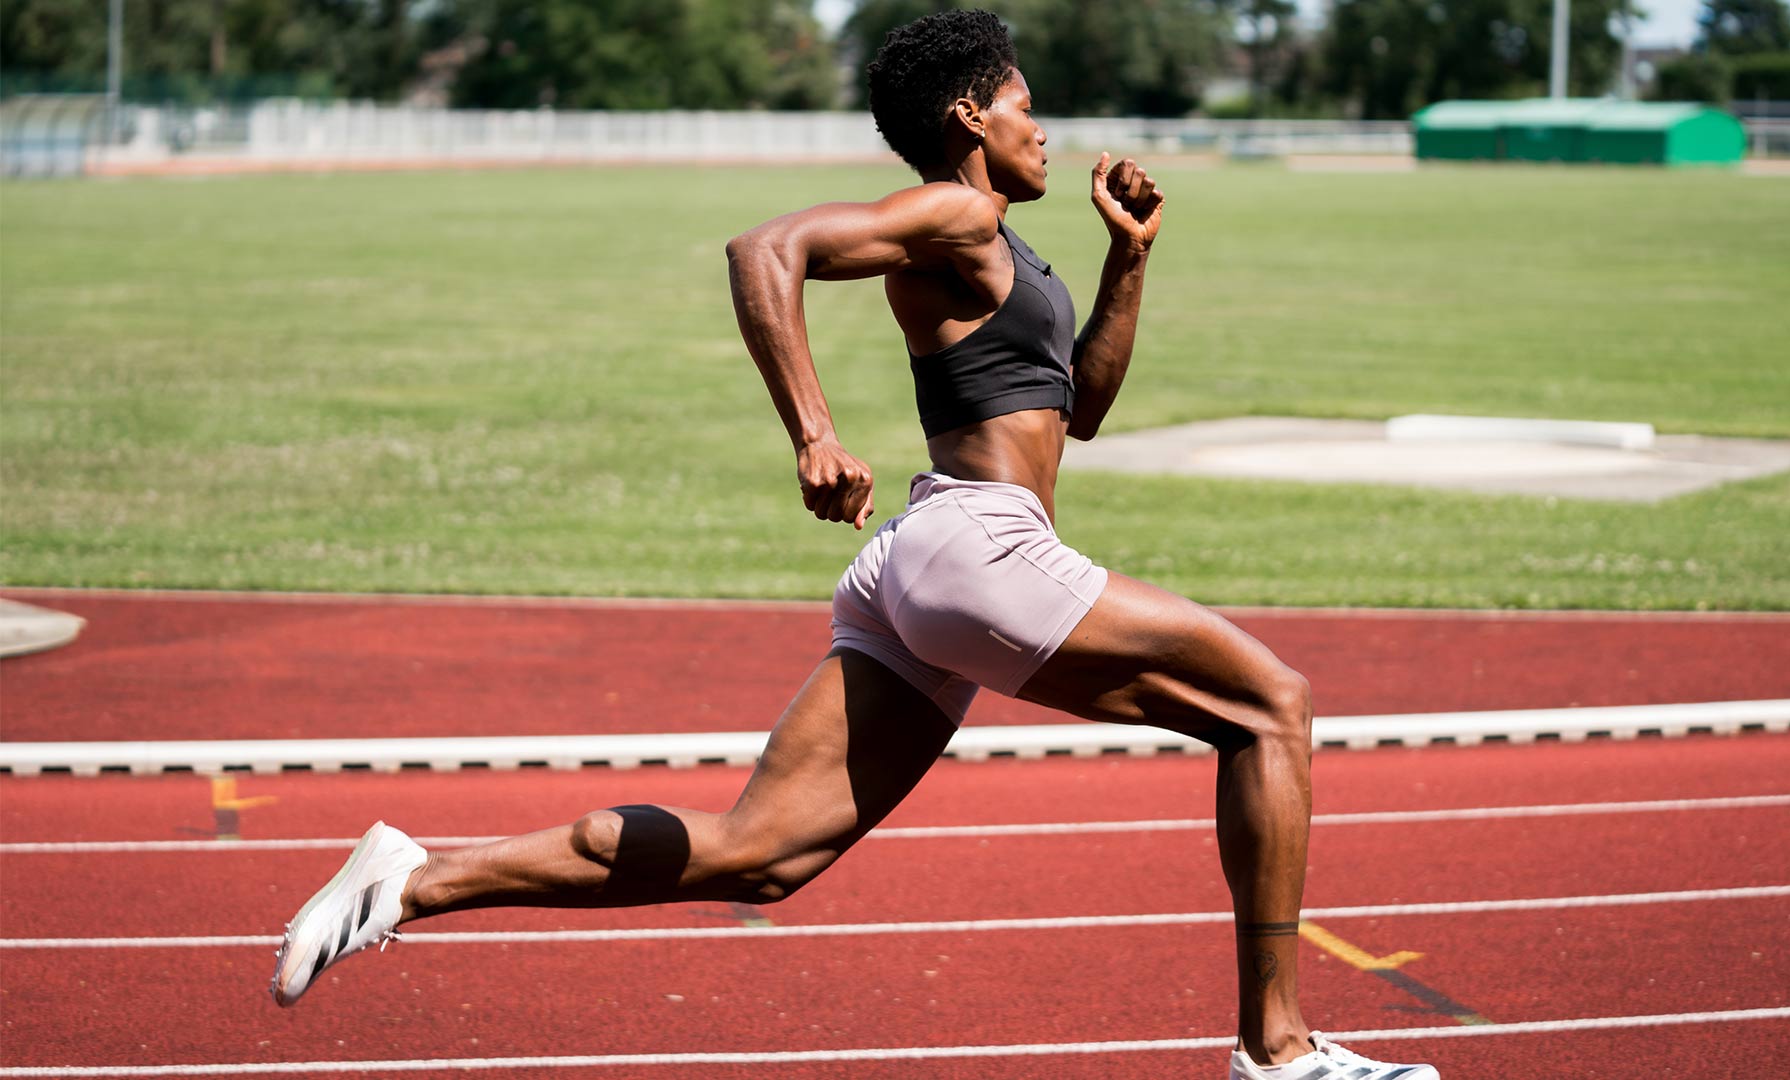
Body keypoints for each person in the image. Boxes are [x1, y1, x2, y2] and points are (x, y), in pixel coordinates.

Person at [270, 11, 1437, 1079]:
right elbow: (762, 249)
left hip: (926, 563)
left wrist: (1129, 257)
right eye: (1028, 106)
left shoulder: (1005, 249)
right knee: (1269, 707)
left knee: (756, 855)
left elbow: (1078, 406)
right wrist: (814, 433)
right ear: (971, 116)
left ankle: (411, 878)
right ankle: (1277, 1050)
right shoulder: (959, 209)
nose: (1046, 132)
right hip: (977, 546)